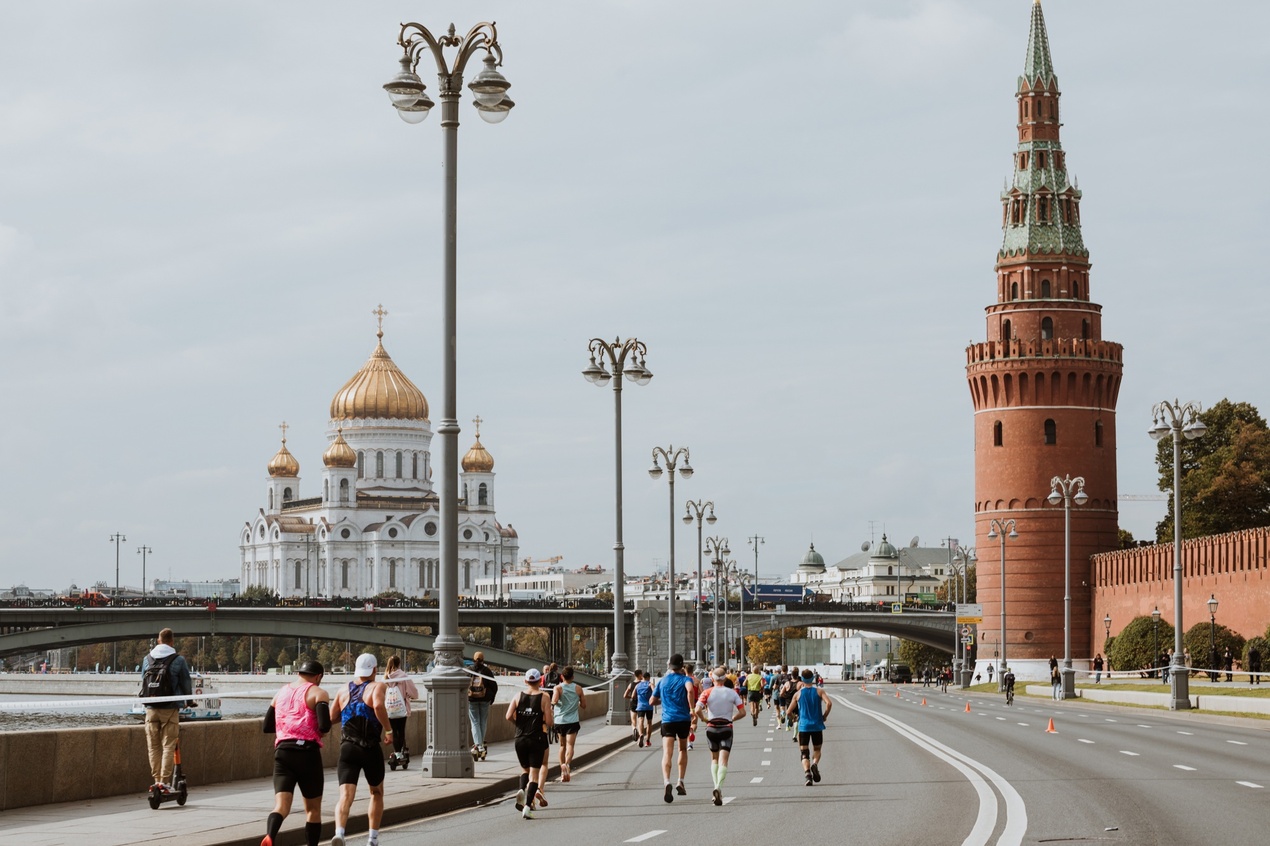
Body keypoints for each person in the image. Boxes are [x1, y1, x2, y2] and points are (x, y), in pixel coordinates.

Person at [262, 660, 332, 846]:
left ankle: (270, 835)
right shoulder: (318, 692)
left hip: (283, 752)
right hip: (307, 753)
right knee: (313, 810)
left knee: (281, 806)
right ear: (318, 677)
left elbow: (267, 726)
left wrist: (288, 728)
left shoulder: (281, 692)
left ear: (299, 673)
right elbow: (325, 725)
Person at [330, 653, 392, 846]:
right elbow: (379, 706)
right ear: (374, 669)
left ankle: (339, 833)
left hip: (348, 747)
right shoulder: (378, 686)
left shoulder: (342, 690)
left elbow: (332, 717)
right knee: (376, 792)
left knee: (345, 795)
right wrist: (389, 730)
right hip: (369, 747)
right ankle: (372, 839)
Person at [140, 627, 194, 795]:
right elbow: (186, 683)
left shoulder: (147, 659)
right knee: (168, 745)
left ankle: (156, 781)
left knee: (153, 747)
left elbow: (143, 680)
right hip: (170, 708)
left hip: (151, 708)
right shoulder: (178, 660)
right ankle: (165, 782)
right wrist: (189, 701)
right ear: (172, 641)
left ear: (158, 640)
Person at [694, 666, 745, 806]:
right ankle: (718, 787)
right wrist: (732, 718)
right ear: (725, 679)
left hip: (711, 728)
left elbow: (697, 709)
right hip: (726, 727)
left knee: (714, 759)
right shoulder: (732, 693)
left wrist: (704, 719)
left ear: (713, 679)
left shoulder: (707, 692)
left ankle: (715, 784)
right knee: (724, 760)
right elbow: (743, 712)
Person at [650, 653, 697, 803]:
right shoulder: (685, 679)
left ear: (669, 666)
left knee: (667, 752)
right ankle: (680, 781)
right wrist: (691, 708)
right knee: (682, 749)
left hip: (668, 720)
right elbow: (690, 690)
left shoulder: (662, 681)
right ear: (682, 666)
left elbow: (652, 701)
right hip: (683, 719)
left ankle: (666, 782)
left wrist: (663, 701)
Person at [507, 668, 553, 820]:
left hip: (520, 739)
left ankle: (521, 788)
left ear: (525, 681)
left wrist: (519, 724)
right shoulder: (544, 697)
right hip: (536, 739)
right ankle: (527, 807)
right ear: (540, 681)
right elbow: (550, 721)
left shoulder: (517, 696)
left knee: (524, 770)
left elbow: (508, 716)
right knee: (534, 776)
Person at [786, 668, 832, 787]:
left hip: (803, 726)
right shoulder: (819, 691)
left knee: (804, 752)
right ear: (813, 678)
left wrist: (794, 717)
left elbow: (788, 711)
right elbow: (829, 703)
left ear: (802, 679)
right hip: (817, 725)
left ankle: (807, 775)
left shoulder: (798, 694)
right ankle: (815, 764)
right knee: (817, 749)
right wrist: (824, 716)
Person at [552, 665, 586, 782]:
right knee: (570, 745)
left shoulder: (558, 688)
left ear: (562, 676)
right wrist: (576, 702)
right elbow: (584, 705)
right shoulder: (578, 688)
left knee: (562, 746)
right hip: (572, 721)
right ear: (573, 676)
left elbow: (555, 701)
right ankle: (567, 764)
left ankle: (562, 769)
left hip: (560, 721)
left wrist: (554, 701)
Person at [383, 655, 418, 769]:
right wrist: (409, 696)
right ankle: (400, 753)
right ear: (399, 664)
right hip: (401, 708)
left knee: (393, 731)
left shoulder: (386, 678)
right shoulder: (403, 677)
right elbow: (414, 693)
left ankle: (396, 752)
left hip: (390, 709)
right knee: (401, 731)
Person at [467, 651, 498, 761]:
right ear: (483, 660)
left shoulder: (469, 670)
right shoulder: (487, 671)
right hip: (485, 699)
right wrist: (491, 698)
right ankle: (481, 744)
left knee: (475, 722)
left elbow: (464, 684)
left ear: (473, 659)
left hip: (472, 699)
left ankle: (478, 745)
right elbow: (494, 686)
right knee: (482, 721)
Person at [634, 670, 655, 748]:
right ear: (648, 678)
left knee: (640, 720)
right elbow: (655, 692)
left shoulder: (637, 685)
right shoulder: (650, 684)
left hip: (640, 706)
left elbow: (633, 696)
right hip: (649, 706)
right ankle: (648, 741)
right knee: (649, 722)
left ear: (643, 677)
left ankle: (641, 734)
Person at [624, 670, 642, 741]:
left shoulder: (630, 684)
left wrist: (631, 697)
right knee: (640, 720)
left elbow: (625, 695)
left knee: (633, 720)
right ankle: (640, 735)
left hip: (633, 703)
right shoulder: (641, 684)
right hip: (640, 704)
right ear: (640, 675)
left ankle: (634, 729)